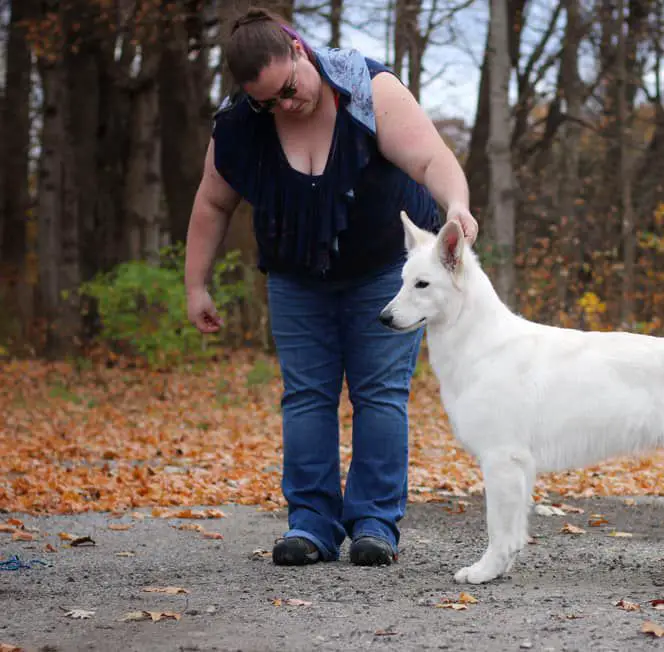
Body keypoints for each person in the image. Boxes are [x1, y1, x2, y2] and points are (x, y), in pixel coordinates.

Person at [183, 7, 478, 567]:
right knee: (307, 397)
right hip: (297, 277)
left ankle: (374, 523)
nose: (283, 106)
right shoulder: (238, 125)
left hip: (382, 272)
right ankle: (311, 523)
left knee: (380, 395)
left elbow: (430, 158)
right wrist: (196, 284)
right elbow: (212, 202)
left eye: (288, 90)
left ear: (299, 50)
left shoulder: (368, 89)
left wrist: (456, 204)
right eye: (267, 102)